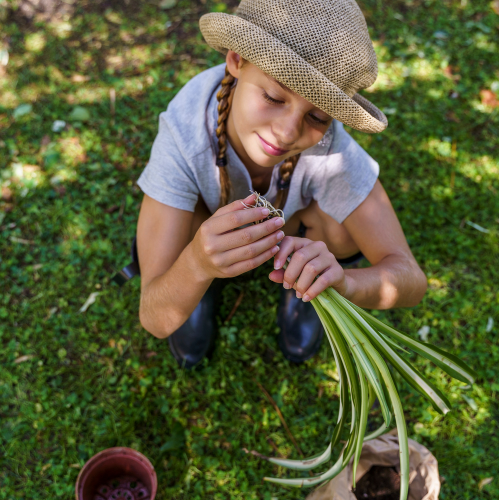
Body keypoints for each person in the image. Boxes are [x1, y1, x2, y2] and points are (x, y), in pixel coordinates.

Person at [131, 0, 428, 369]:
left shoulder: (330, 150)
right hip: (203, 231)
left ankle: (302, 292)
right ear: (237, 60)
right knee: (182, 221)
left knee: (342, 225)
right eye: (273, 97)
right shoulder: (185, 132)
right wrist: (194, 265)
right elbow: (154, 317)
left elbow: (410, 278)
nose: (287, 133)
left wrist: (343, 283)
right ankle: (201, 289)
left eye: (317, 116)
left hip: (293, 230)